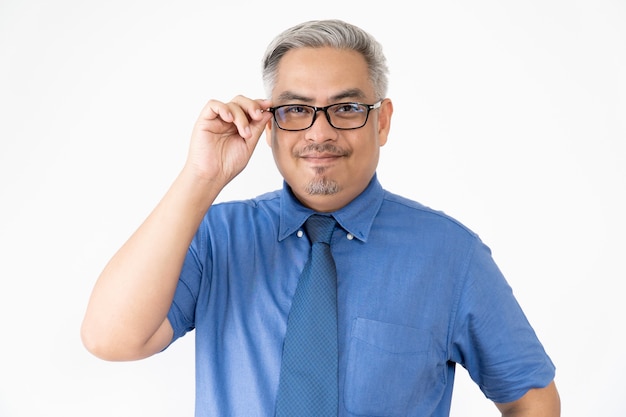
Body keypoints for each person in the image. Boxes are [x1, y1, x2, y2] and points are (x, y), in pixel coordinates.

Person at [81, 19, 560, 417]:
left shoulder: (452, 256)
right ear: (269, 124)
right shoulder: (217, 238)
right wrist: (201, 177)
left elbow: (531, 398)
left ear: (383, 120)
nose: (320, 132)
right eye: (296, 110)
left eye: (347, 108)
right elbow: (110, 339)